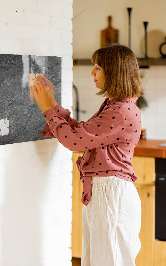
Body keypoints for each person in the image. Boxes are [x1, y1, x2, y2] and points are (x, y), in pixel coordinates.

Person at [31, 44, 143, 266]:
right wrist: (52, 103)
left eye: (98, 67)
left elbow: (74, 141)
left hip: (111, 195)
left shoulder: (120, 111)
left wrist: (46, 107)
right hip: (106, 193)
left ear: (114, 72)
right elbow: (82, 133)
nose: (92, 72)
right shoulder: (116, 106)